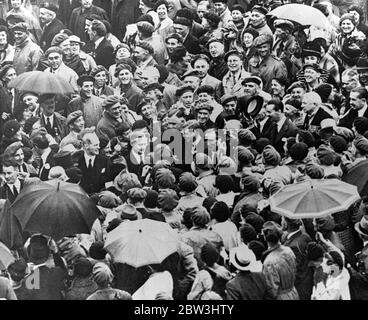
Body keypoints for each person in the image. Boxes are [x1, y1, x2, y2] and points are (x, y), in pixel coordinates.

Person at [262, 221, 299, 300]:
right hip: (293, 293)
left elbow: (272, 290)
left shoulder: (269, 262)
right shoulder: (288, 250)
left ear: (265, 237)